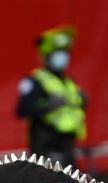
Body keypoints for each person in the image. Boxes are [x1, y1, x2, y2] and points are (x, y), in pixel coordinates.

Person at [15, 26, 87, 166]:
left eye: (64, 52)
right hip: (45, 147)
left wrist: (82, 101)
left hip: (68, 146)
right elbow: (22, 110)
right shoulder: (35, 81)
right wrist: (48, 105)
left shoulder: (68, 82)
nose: (62, 57)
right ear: (46, 56)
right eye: (57, 53)